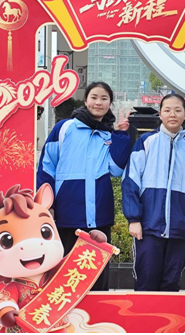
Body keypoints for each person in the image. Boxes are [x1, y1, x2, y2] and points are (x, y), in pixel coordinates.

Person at [36, 81, 133, 291]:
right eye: (94, 97)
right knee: (64, 275)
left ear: (109, 103)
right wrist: (47, 205)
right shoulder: (65, 128)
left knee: (97, 274)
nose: (98, 102)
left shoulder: (109, 134)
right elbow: (46, 167)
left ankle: (97, 311)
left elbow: (116, 169)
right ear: (86, 100)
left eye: (104, 98)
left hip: (99, 214)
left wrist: (120, 136)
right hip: (67, 213)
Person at [122, 93, 185, 292]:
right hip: (149, 227)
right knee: (146, 281)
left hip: (179, 229)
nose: (172, 114)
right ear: (160, 114)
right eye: (167, 110)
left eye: (177, 110)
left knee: (171, 283)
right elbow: (130, 181)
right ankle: (143, 314)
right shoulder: (146, 142)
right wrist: (134, 219)